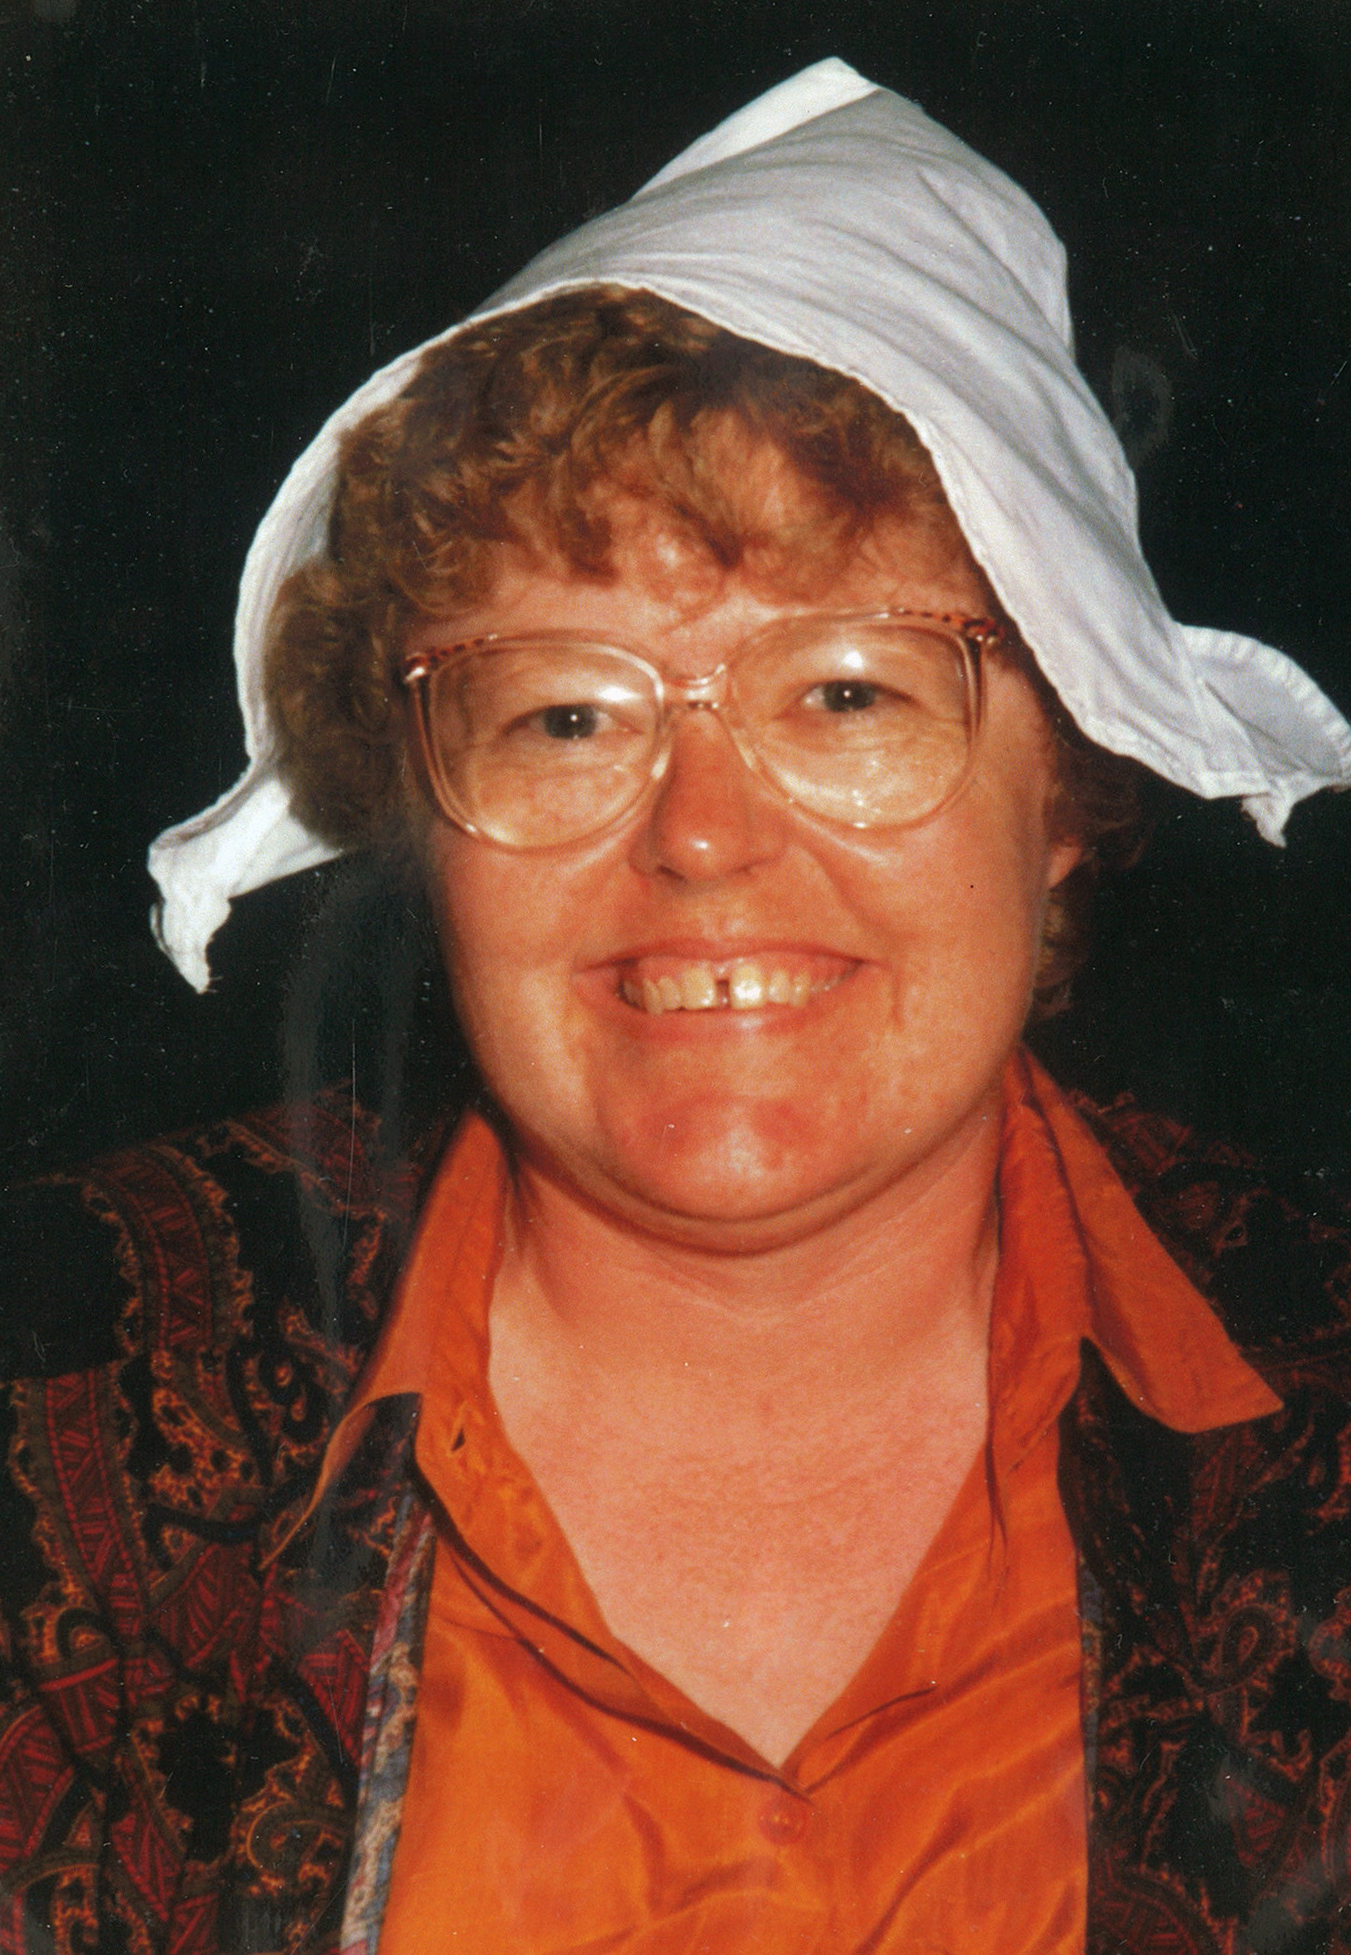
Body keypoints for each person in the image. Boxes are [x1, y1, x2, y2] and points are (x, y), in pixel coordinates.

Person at [3, 58, 1351, 1955]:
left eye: (849, 693)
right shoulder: (61, 1403)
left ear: (1069, 784)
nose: (703, 836)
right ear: (423, 819)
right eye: (566, 714)